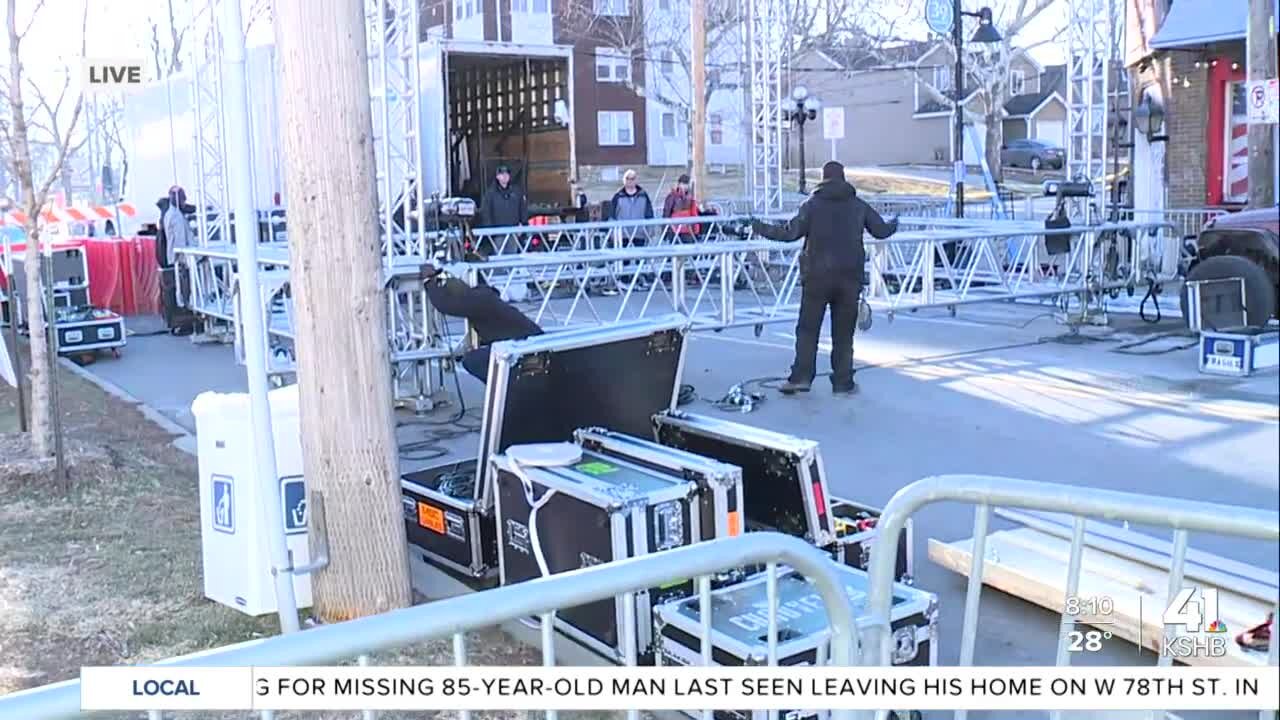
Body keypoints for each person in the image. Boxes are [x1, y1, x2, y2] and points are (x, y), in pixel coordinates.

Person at [750, 161, 898, 396]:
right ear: (843, 178)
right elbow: (881, 230)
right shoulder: (858, 206)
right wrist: (894, 223)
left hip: (817, 278)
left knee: (808, 330)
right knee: (843, 333)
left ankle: (801, 378)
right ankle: (843, 382)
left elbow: (789, 233)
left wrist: (759, 227)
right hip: (850, 279)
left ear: (823, 178)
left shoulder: (812, 205)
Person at [421, 263, 543, 383]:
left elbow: (445, 305)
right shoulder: (484, 294)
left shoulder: (476, 300)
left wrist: (428, 282)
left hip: (523, 350)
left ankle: (505, 389)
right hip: (529, 343)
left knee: (472, 360)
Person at [159, 186, 199, 335]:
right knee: (184, 292)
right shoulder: (176, 217)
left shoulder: (170, 214)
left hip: (175, 259)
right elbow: (181, 241)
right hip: (180, 260)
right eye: (183, 198)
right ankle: (185, 320)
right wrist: (188, 259)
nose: (185, 201)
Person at [478, 163, 528, 229]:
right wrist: (491, 230)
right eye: (502, 174)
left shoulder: (517, 192)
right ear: (497, 176)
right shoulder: (490, 194)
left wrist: (523, 225)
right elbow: (486, 213)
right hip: (498, 232)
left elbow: (523, 209)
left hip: (515, 231)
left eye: (507, 174)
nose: (505, 176)